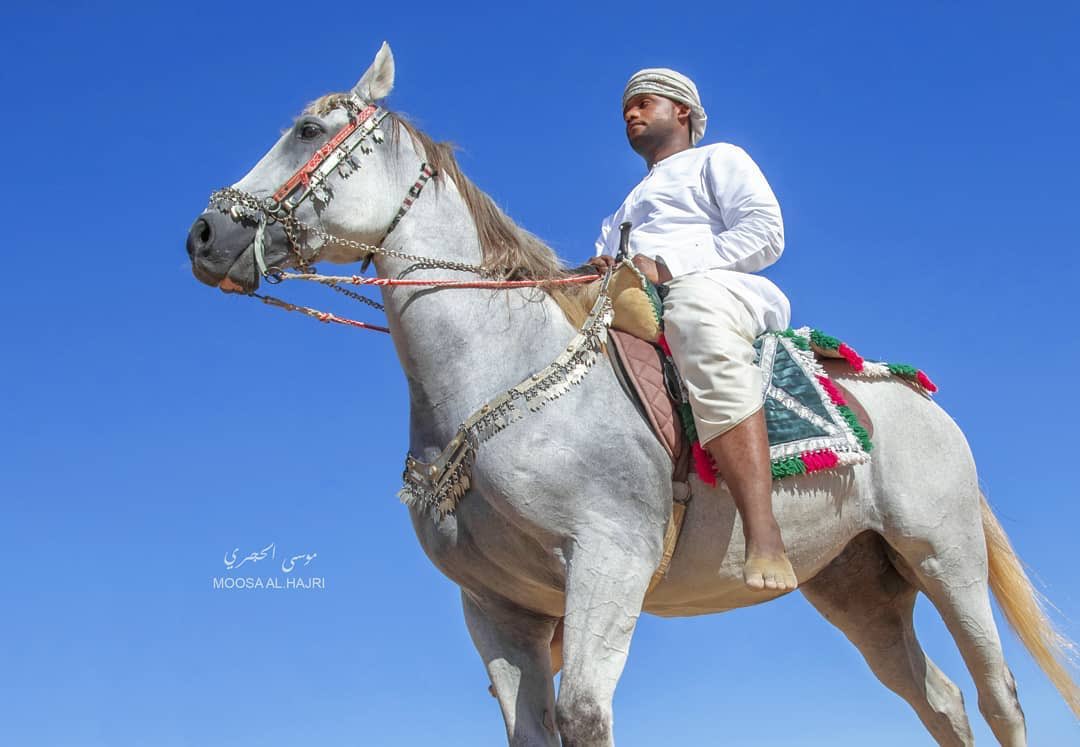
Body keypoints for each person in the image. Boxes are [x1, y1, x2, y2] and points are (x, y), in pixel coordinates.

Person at [588, 68, 798, 592]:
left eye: (643, 104)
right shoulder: (619, 211)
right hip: (634, 303)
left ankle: (763, 528)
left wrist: (668, 264)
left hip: (712, 291)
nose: (630, 115)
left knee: (693, 317)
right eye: (625, 111)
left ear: (681, 110)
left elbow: (765, 233)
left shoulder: (718, 159)